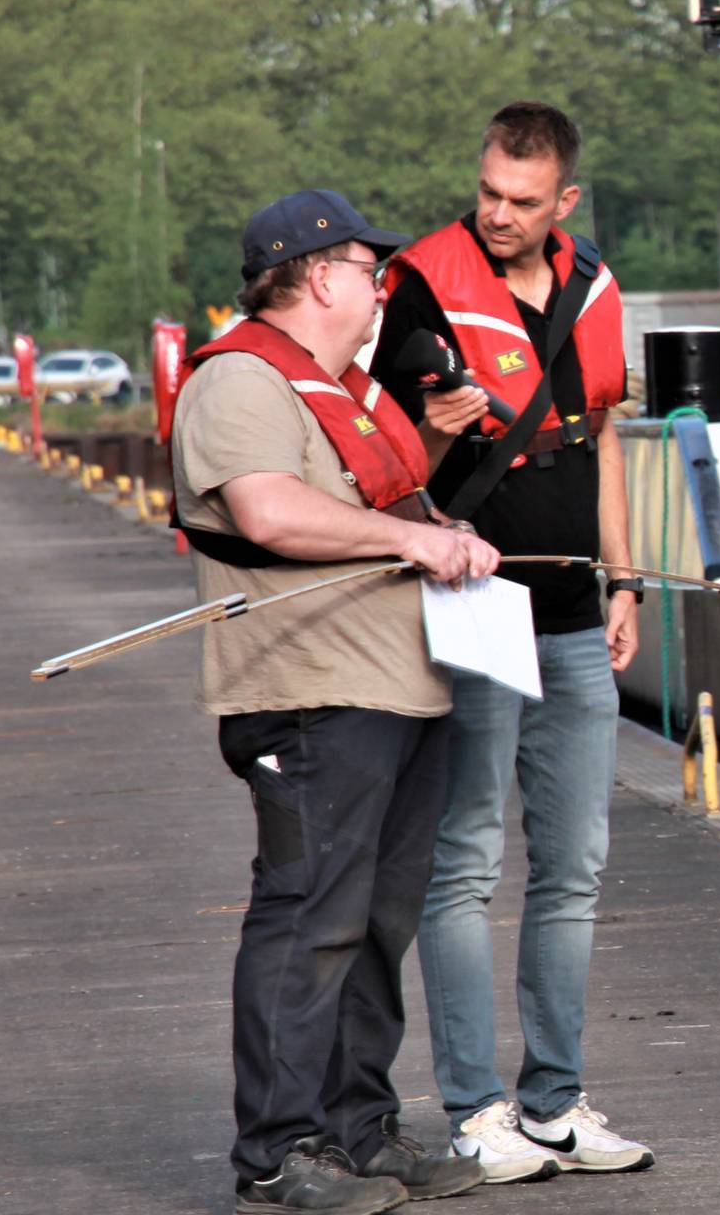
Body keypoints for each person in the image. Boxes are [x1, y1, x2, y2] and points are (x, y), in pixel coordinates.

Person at [171, 189, 499, 1215]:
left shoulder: (337, 386)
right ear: (318, 274)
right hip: (311, 695)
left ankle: (359, 1130)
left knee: (375, 922)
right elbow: (269, 509)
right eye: (369, 270)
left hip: (397, 688)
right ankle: (278, 1151)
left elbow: (383, 505)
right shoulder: (240, 378)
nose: (380, 289)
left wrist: (443, 525)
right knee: (310, 915)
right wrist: (411, 540)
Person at [371, 101, 654, 1184]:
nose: (497, 212)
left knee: (574, 863)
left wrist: (625, 578)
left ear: (563, 202)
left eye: (521, 200)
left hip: (578, 604)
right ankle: (474, 1106)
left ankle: (554, 1099)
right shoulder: (422, 279)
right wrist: (427, 427)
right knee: (467, 859)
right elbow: (379, 441)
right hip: (474, 603)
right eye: (488, 190)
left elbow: (608, 439)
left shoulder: (597, 284)